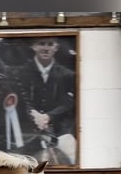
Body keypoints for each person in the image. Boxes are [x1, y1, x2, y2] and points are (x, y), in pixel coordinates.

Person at [16, 36, 77, 164]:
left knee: (72, 155)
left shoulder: (67, 75)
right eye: (41, 44)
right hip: (28, 132)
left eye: (50, 44)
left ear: (56, 47)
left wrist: (48, 116)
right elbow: (19, 98)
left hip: (60, 131)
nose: (46, 48)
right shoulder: (21, 73)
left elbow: (69, 103)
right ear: (33, 46)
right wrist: (33, 114)